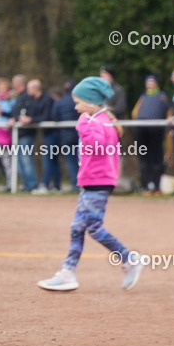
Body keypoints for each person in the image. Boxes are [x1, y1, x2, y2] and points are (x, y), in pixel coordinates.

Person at [38, 77, 142, 291]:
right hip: (92, 181)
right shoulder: (99, 120)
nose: (75, 107)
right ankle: (68, 272)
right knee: (77, 227)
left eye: (78, 102)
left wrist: (83, 124)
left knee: (93, 227)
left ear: (91, 102)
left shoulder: (98, 122)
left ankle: (129, 258)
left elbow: (96, 145)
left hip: (98, 182)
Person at [11, 79, 52, 193]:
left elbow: (43, 116)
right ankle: (27, 184)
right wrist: (17, 117)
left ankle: (32, 184)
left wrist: (30, 119)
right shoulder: (25, 98)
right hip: (20, 133)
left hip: (28, 133)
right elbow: (15, 111)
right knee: (20, 161)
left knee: (26, 159)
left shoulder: (43, 99)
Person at [132, 75, 171, 194]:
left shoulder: (163, 97)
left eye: (152, 82)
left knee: (156, 157)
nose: (150, 84)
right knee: (144, 157)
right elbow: (135, 113)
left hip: (156, 129)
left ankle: (156, 186)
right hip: (141, 129)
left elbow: (169, 113)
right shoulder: (142, 98)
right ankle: (146, 186)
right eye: (148, 82)